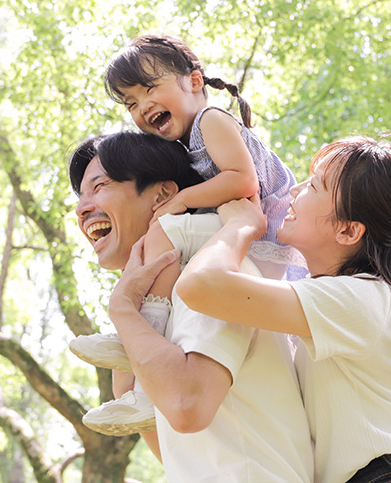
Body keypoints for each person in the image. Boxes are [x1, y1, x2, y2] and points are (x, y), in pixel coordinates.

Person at [160, 135, 391, 482]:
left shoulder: (359, 298)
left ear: (348, 230)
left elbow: (200, 286)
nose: (294, 191)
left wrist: (239, 227)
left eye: (314, 186)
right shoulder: (342, 298)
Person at [69, 33, 306, 433]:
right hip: (253, 236)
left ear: (195, 81)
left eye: (149, 89)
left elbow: (243, 180)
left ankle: (141, 332)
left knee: (165, 233)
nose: (142, 106)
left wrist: (180, 202)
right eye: (131, 103)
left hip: (267, 237)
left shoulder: (211, 120)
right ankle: (138, 345)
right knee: (164, 236)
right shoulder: (188, 144)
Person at [69, 131, 313, 482]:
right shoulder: (158, 307)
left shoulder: (210, 277)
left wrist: (121, 308)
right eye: (81, 196)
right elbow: (169, 446)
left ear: (163, 195)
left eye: (100, 186)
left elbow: (187, 407)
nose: (81, 208)